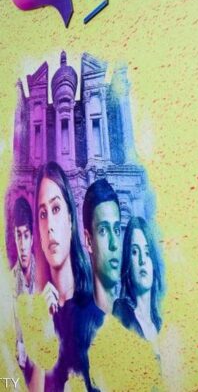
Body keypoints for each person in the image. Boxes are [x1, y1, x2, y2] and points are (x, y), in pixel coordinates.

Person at [17, 162, 103, 392]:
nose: (50, 226)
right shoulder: (36, 317)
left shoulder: (95, 315)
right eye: (43, 214)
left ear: (71, 219)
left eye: (56, 209)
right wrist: (42, 332)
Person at [114, 217, 164, 347]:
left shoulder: (160, 325)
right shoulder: (121, 314)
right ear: (128, 262)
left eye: (147, 253)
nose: (142, 260)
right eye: (135, 252)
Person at [82, 179, 123, 315]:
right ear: (89, 241)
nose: (114, 244)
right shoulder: (77, 320)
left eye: (116, 230)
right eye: (103, 230)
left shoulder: (133, 319)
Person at [10, 197, 36, 296]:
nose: (22, 246)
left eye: (26, 236)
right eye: (19, 236)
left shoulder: (44, 275)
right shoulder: (8, 283)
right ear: (15, 238)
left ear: (32, 239)